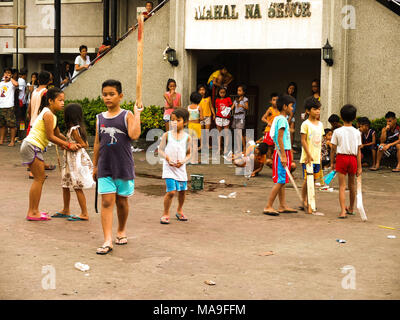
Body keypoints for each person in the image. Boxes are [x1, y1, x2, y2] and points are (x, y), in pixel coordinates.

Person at [93, 79, 143, 255]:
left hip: (123, 166)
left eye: (111, 94)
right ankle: (107, 240)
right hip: (105, 166)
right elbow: (97, 143)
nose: (108, 97)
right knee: (106, 202)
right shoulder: (99, 118)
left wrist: (137, 114)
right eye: (105, 94)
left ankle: (121, 229)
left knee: (122, 201)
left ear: (120, 96)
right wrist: (94, 166)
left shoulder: (126, 115)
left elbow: (134, 134)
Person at [20, 87, 81, 221]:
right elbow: (50, 137)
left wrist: (72, 142)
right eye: (60, 100)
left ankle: (34, 210)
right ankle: (32, 212)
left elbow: (58, 134)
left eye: (63, 100)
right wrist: (69, 145)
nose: (63, 103)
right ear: (50, 101)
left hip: (32, 146)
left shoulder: (51, 115)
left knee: (39, 179)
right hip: (32, 146)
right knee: (39, 179)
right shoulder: (47, 114)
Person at [53, 103, 95, 221]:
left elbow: (84, 145)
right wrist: (67, 146)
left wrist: (71, 146)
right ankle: (66, 209)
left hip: (75, 162)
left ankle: (84, 213)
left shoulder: (74, 130)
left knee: (77, 186)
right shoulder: (72, 129)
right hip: (69, 160)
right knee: (65, 185)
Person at [263, 95, 297, 216]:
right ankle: (268, 206)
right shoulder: (282, 120)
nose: (292, 108)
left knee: (283, 180)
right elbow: (279, 137)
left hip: (283, 151)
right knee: (281, 180)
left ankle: (282, 205)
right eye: (291, 106)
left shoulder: (279, 118)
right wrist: (283, 155)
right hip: (282, 152)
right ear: (284, 106)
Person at [158, 108, 192, 224]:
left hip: (181, 168)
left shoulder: (187, 137)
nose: (174, 123)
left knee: (182, 191)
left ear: (185, 122)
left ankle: (179, 210)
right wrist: (167, 158)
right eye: (172, 120)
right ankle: (165, 213)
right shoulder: (167, 135)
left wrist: (183, 161)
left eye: (178, 120)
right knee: (171, 191)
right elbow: (160, 150)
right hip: (169, 167)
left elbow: (189, 154)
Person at [330, 104, 362, 219]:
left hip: (341, 158)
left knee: (342, 186)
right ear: (354, 118)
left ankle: (343, 211)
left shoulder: (337, 131)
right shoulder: (357, 132)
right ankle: (351, 208)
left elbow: (333, 149)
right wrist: (359, 167)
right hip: (353, 158)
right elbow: (358, 151)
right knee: (352, 185)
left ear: (341, 117)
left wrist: (332, 163)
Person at [299, 97, 324, 213]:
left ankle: (311, 201)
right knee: (306, 179)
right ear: (308, 111)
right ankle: (303, 200)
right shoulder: (305, 124)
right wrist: (308, 155)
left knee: (313, 180)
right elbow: (303, 140)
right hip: (307, 158)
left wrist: (321, 155)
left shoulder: (320, 124)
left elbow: (321, 141)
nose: (317, 111)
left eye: (319, 109)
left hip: (317, 157)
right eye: (315, 109)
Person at [0, 67, 19, 147]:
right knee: (2, 125)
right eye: (5, 73)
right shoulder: (1, 83)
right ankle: (1, 140)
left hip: (9, 106)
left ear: (11, 74)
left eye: (8, 73)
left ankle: (12, 141)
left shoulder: (12, 83)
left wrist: (10, 78)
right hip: (1, 105)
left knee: (12, 125)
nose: (6, 74)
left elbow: (16, 84)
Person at [261, 93, 280, 165]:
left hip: (276, 131)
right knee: (269, 146)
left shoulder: (279, 110)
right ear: (271, 101)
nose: (275, 102)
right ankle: (269, 160)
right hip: (269, 130)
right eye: (274, 100)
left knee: (274, 146)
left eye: (277, 100)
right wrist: (268, 122)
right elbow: (263, 118)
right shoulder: (270, 109)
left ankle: (272, 160)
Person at [215, 87, 232, 155]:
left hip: (226, 117)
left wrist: (228, 111)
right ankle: (219, 148)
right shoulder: (217, 100)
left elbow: (231, 106)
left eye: (223, 92)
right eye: (221, 92)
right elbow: (216, 108)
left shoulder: (228, 99)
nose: (222, 94)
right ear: (218, 93)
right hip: (219, 117)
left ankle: (226, 148)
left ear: (226, 93)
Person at [232, 84, 249, 154]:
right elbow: (232, 107)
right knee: (237, 133)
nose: (238, 92)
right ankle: (239, 149)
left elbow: (247, 108)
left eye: (240, 91)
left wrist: (242, 105)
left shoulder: (245, 99)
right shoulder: (236, 100)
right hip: (235, 117)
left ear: (243, 92)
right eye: (238, 90)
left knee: (240, 133)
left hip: (241, 117)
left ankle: (244, 147)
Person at [198, 84, 215, 151]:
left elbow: (211, 107)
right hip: (200, 117)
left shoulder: (208, 98)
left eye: (203, 90)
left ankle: (207, 145)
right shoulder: (197, 98)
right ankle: (201, 145)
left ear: (205, 90)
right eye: (200, 90)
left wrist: (214, 114)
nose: (202, 91)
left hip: (208, 116)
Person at [187, 91, 203, 156]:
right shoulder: (199, 107)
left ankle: (190, 156)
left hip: (190, 125)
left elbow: (187, 117)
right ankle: (195, 158)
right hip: (197, 125)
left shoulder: (188, 107)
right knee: (196, 142)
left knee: (191, 142)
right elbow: (202, 118)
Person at [286, 82, 298, 146]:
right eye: (290, 88)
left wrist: (290, 118)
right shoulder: (285, 97)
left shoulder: (294, 99)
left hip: (291, 116)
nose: (291, 90)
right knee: (284, 131)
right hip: (285, 116)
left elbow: (293, 110)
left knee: (291, 132)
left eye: (293, 89)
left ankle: (291, 147)